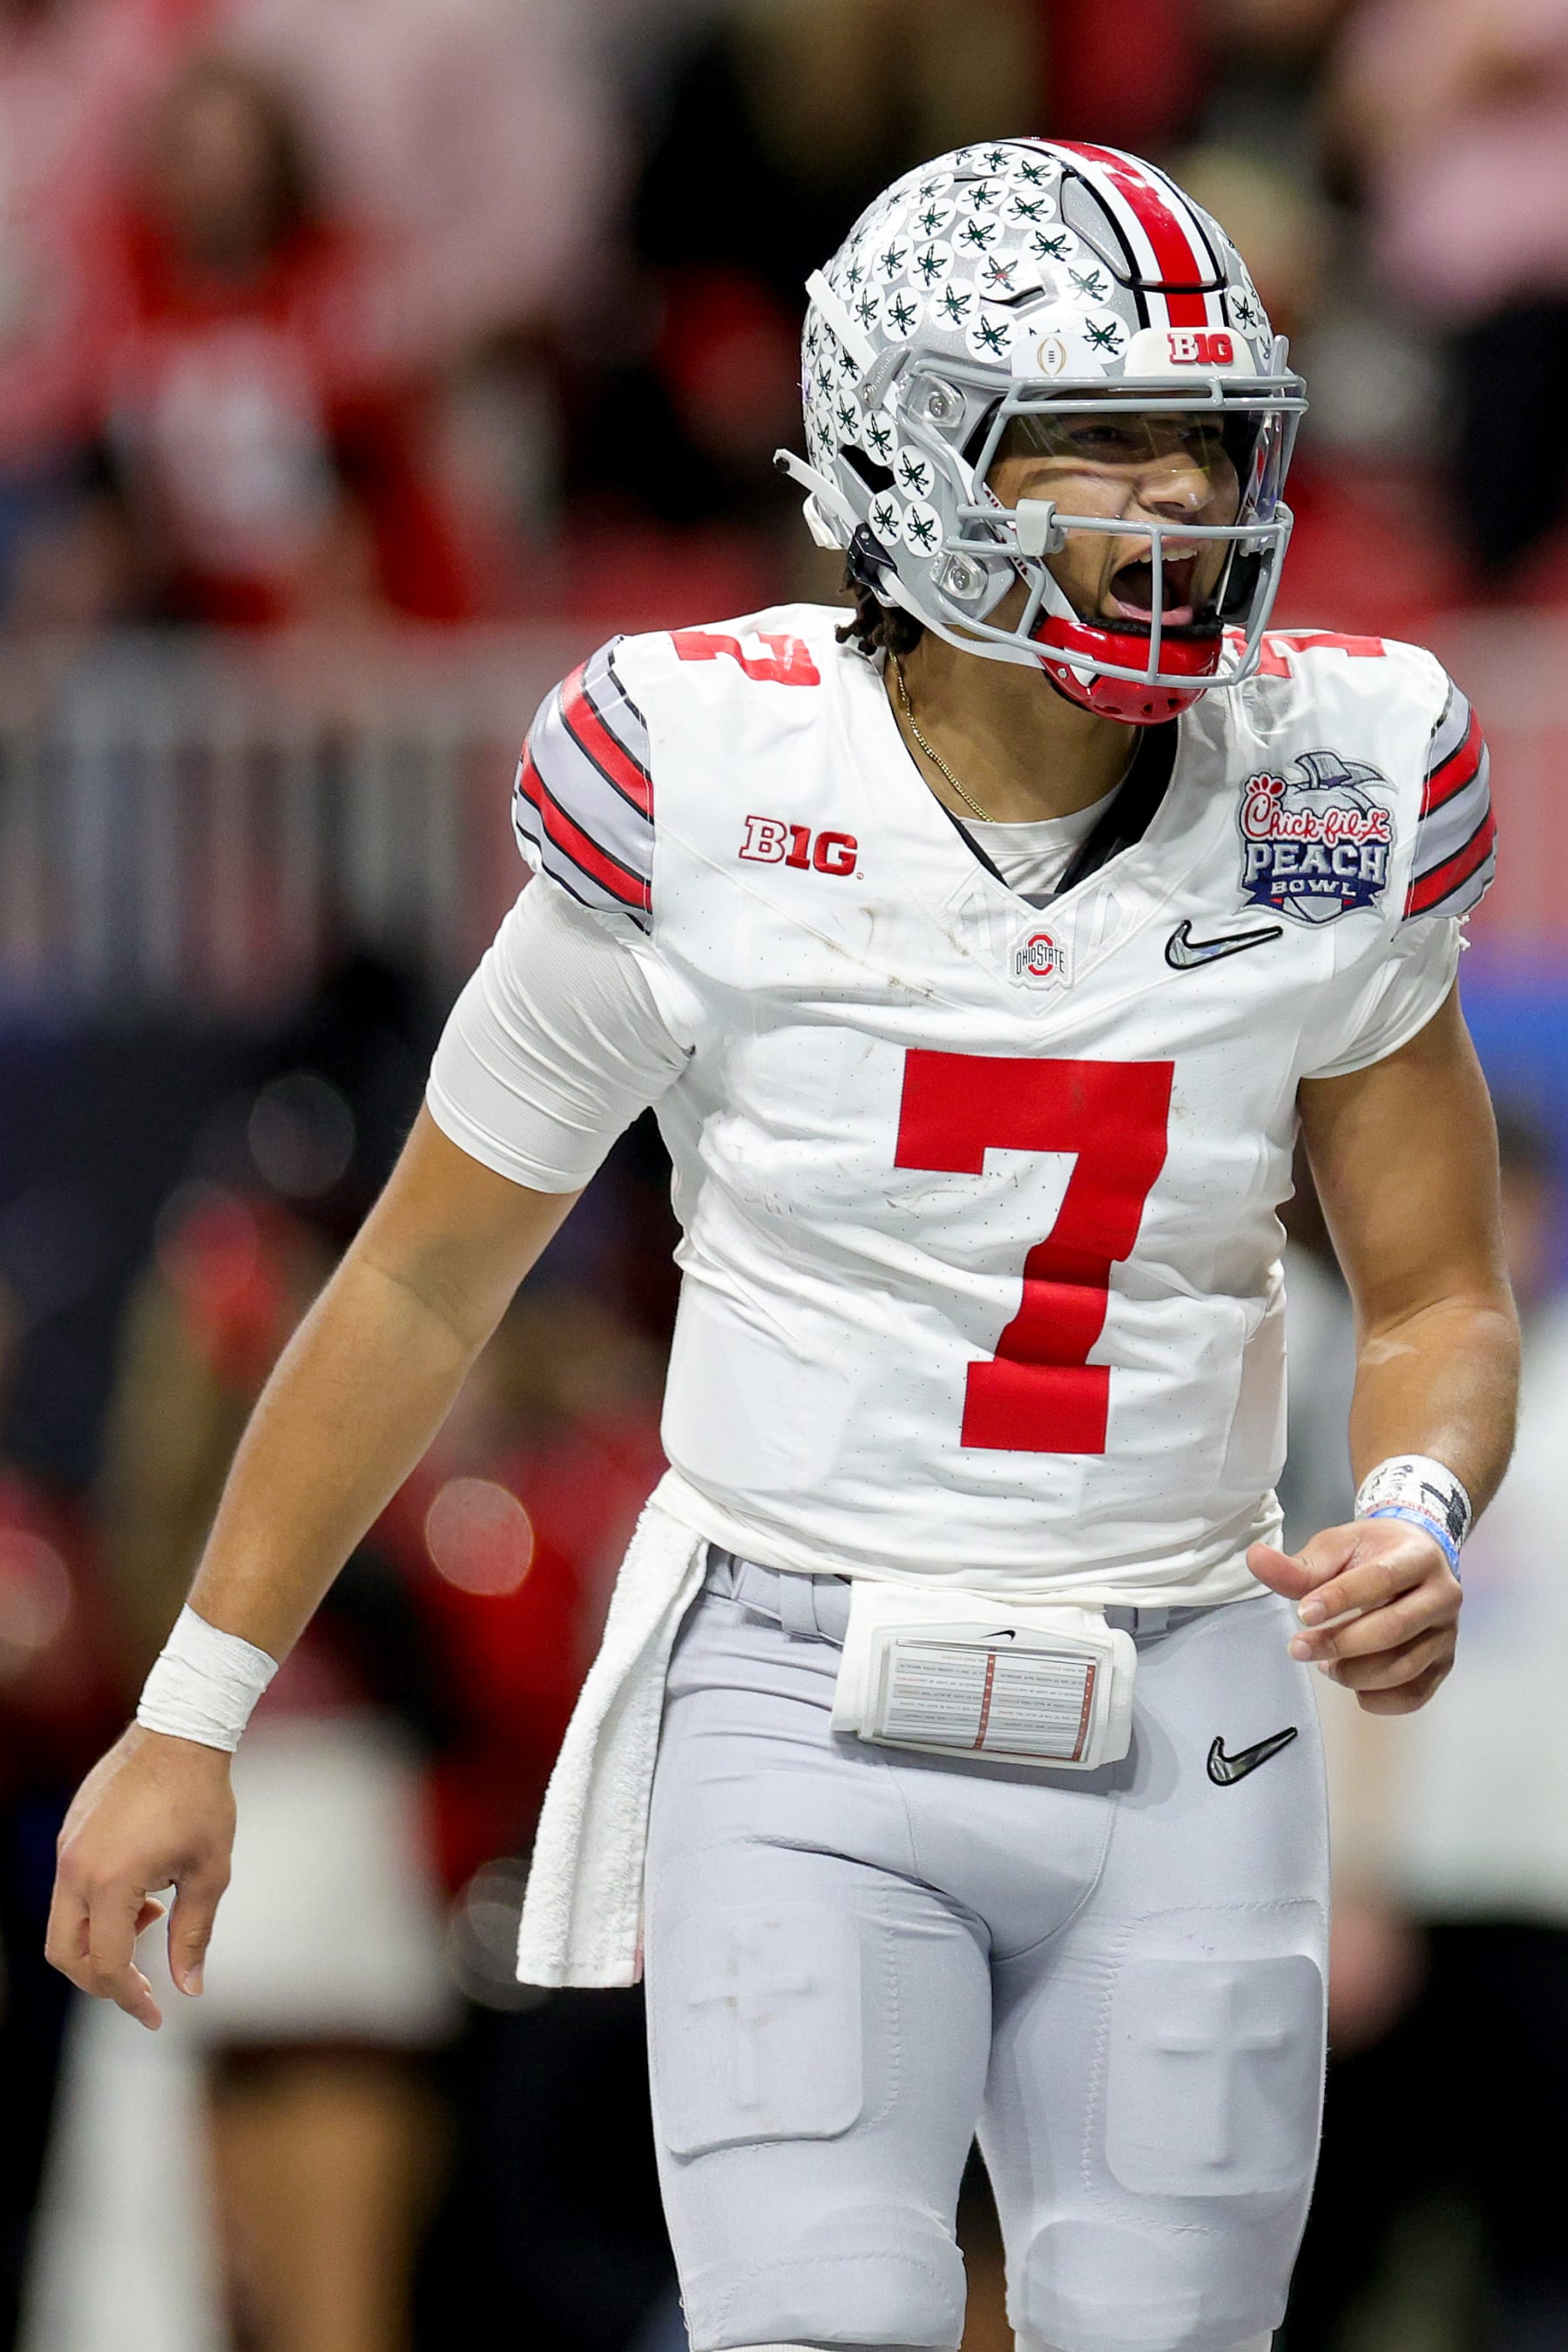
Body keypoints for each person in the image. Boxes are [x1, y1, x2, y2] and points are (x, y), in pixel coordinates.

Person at [48, 139, 1517, 2352]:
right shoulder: (712, 779)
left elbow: (1437, 1296)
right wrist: (193, 1711)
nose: (1179, 499)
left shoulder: (1332, 777)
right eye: (1098, 438)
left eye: (1208, 439)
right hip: (807, 1688)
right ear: (910, 459)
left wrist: (1414, 1501)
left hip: (1194, 1685)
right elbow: (427, 1279)